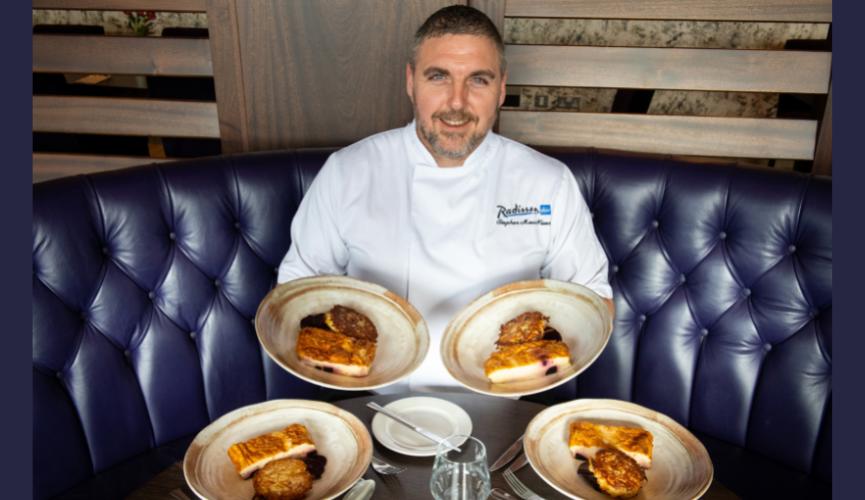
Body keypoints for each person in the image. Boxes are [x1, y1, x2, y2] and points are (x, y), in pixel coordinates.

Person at [277, 5, 612, 392]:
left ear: (501, 88)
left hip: (504, 407)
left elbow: (596, 303)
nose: (457, 102)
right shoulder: (347, 171)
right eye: (438, 77)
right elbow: (295, 295)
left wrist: (526, 364)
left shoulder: (547, 182)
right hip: (372, 402)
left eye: (478, 81)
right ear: (410, 81)